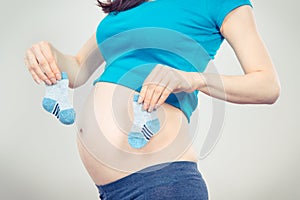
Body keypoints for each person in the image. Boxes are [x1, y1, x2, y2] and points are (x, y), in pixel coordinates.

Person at [24, 0, 281, 199]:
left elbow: (267, 84)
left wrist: (194, 79)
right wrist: (49, 54)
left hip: (163, 184)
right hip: (112, 191)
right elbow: (79, 68)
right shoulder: (126, 8)